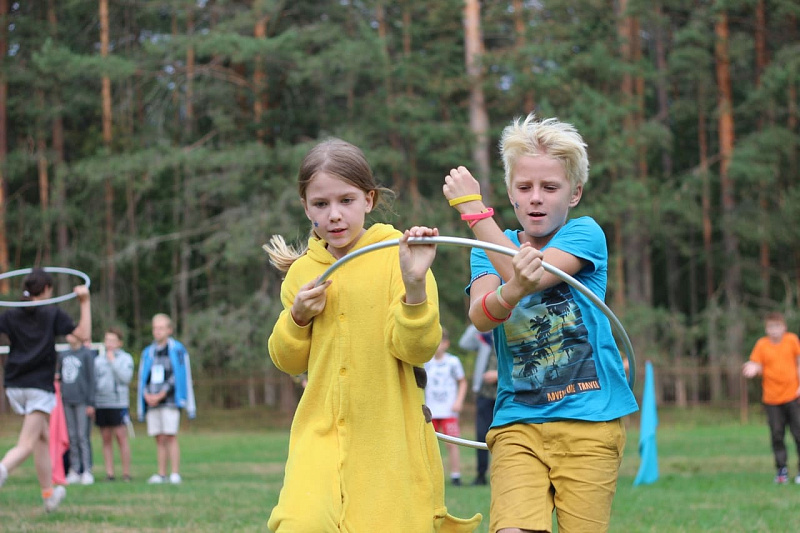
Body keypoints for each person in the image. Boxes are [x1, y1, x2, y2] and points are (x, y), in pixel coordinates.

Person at [264, 138, 481, 532]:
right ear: (305, 207)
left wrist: (414, 289)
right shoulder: (302, 274)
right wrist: (296, 318)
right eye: (321, 204)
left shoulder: (401, 257)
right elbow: (288, 360)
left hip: (388, 436)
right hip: (320, 431)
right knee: (301, 522)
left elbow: (417, 349)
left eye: (346, 201)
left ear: (369, 199)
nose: (334, 215)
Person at [443, 113, 638, 533]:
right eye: (525, 187)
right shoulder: (489, 246)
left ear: (574, 193)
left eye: (550, 188)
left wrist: (474, 212)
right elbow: (481, 314)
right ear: (511, 194)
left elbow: (537, 276)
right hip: (518, 422)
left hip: (591, 422)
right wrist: (509, 291)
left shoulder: (585, 235)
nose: (536, 198)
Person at [0, 268, 91, 512]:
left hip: (14, 386)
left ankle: (49, 495)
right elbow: (84, 335)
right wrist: (85, 302)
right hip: (38, 387)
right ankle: (2, 470)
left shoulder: (11, 314)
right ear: (48, 290)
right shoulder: (52, 314)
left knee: (42, 438)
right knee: (27, 443)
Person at [137, 313, 196, 485]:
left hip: (170, 402)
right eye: (155, 328)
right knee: (159, 437)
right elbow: (144, 377)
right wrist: (147, 395)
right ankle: (161, 473)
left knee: (170, 436)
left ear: (169, 330)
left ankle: (175, 473)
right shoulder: (148, 352)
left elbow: (179, 376)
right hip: (152, 403)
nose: (157, 331)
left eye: (161, 328)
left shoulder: (177, 350)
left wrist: (162, 394)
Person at [742, 312, 800, 484]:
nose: (774, 330)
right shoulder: (762, 345)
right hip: (772, 399)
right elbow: (756, 364)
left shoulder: (791, 340)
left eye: (777, 326)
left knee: (798, 434)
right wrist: (753, 369)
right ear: (766, 329)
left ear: (784, 327)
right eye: (771, 327)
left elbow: (798, 363)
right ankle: (781, 470)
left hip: (792, 396)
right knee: (777, 435)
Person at [424, 327, 468, 486]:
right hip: (430, 411)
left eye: (440, 342)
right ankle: (430, 476)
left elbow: (462, 381)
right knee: (429, 444)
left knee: (452, 443)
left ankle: (456, 475)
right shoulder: (425, 362)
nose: (437, 345)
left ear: (446, 344)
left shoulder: (452, 361)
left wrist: (459, 401)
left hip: (449, 410)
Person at [458, 324, 497, 486]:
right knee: (481, 435)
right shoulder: (485, 338)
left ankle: (502, 475)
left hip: (505, 393)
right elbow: (464, 343)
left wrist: (498, 375)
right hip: (483, 394)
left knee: (505, 437)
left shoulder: (511, 333)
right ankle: (481, 475)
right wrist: (479, 322)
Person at [94, 326, 134, 482]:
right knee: (106, 438)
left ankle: (126, 473)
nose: (109, 343)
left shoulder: (126, 359)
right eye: (107, 340)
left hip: (119, 403)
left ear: (119, 343)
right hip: (102, 403)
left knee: (121, 437)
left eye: (112, 340)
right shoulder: (98, 361)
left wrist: (114, 362)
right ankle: (109, 473)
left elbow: (126, 378)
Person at [56, 334, 96, 485]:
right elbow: (60, 375)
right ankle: (75, 469)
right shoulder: (63, 354)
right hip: (67, 401)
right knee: (71, 437)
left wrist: (91, 403)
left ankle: (87, 470)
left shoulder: (87, 354)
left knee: (82, 436)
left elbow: (92, 379)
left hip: (83, 401)